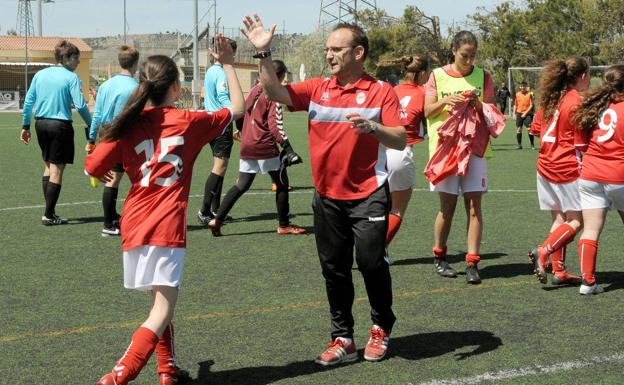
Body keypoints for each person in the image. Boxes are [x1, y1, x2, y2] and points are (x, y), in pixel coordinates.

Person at [242, 14, 406, 364]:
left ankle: (381, 327)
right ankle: (343, 337)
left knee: (370, 263)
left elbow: (401, 137)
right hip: (327, 197)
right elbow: (274, 91)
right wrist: (264, 53)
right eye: (327, 49)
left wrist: (373, 127)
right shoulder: (318, 87)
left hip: (369, 193)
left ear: (358, 52)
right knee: (333, 269)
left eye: (337, 49)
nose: (329, 55)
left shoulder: (380, 91)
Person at [86, 36, 244, 385]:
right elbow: (237, 109)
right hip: (165, 224)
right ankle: (116, 377)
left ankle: (167, 369)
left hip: (133, 223)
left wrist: (107, 168)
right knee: (162, 309)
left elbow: (92, 168)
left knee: (161, 299)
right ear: (176, 86)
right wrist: (228, 63)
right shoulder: (188, 120)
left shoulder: (127, 125)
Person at [423, 31, 497, 284]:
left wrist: (477, 104)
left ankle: (472, 262)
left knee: (475, 207)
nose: (469, 60)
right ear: (454, 50)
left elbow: (492, 112)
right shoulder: (437, 75)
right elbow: (427, 111)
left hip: (475, 150)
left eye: (473, 55)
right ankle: (440, 257)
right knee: (448, 207)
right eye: (465, 55)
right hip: (445, 151)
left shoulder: (483, 76)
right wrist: (448, 102)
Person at [207, 59, 306, 236]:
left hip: (248, 145)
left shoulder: (255, 88)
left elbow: (240, 112)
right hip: (265, 146)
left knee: (242, 185)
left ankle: (217, 220)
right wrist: (288, 149)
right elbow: (275, 125)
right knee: (282, 185)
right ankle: (284, 225)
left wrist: (241, 130)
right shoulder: (273, 94)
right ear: (281, 77)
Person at [527, 57, 590, 286]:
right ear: (582, 76)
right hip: (566, 168)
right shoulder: (576, 101)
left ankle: (559, 271)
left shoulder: (549, 100)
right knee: (577, 221)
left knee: (559, 218)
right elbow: (582, 142)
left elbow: (535, 130)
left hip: (544, 165)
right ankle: (544, 251)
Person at [19, 40, 92, 225]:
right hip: (60, 126)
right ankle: (49, 215)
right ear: (65, 58)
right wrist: (91, 125)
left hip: (40, 124)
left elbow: (28, 102)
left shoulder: (40, 75)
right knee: (56, 172)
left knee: (49, 166)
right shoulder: (71, 77)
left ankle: (50, 211)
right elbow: (81, 105)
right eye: (75, 58)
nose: (77, 62)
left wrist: (25, 126)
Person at [571, 65, 624, 294]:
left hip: (591, 174)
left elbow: (581, 145)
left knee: (590, 229)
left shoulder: (593, 106)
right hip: (618, 175)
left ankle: (587, 282)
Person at [87, 45, 140, 236]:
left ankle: (112, 216)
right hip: (124, 137)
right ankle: (108, 224)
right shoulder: (136, 88)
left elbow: (97, 114)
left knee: (112, 178)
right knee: (116, 179)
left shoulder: (106, 85)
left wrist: (91, 139)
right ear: (135, 63)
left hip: (105, 134)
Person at [385, 55, 428, 253]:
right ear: (422, 74)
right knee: (397, 209)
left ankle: (363, 248)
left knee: (377, 208)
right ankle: (376, 252)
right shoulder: (424, 92)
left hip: (379, 152)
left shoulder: (393, 90)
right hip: (401, 152)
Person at [198, 38, 238, 225]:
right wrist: (234, 112)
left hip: (211, 122)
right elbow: (223, 96)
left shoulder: (210, 71)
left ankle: (216, 210)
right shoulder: (221, 73)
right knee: (219, 167)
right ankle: (205, 210)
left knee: (220, 167)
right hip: (221, 122)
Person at [512, 81, 535, 149]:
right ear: (520, 87)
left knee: (529, 129)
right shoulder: (517, 94)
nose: (523, 87)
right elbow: (515, 105)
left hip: (528, 114)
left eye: (524, 86)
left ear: (526, 87)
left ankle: (532, 145)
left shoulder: (530, 94)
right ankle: (519, 145)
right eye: (521, 86)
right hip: (519, 114)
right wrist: (514, 114)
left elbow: (531, 105)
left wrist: (525, 113)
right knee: (519, 129)